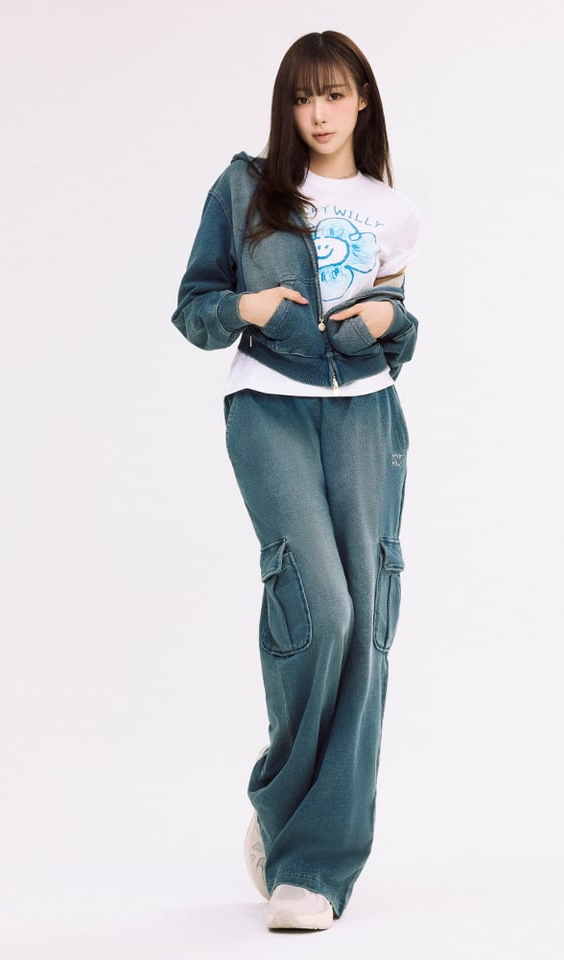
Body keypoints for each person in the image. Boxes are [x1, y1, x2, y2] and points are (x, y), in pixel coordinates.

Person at [172, 30, 420, 931]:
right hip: (268, 407)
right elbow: (194, 306)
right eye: (302, 97)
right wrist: (245, 305)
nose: (319, 113)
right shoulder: (245, 188)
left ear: (363, 101)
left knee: (367, 623)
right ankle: (285, 804)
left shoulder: (392, 209)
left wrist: (391, 321)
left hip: (365, 413)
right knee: (321, 605)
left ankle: (314, 866)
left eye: (335, 95)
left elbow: (395, 325)